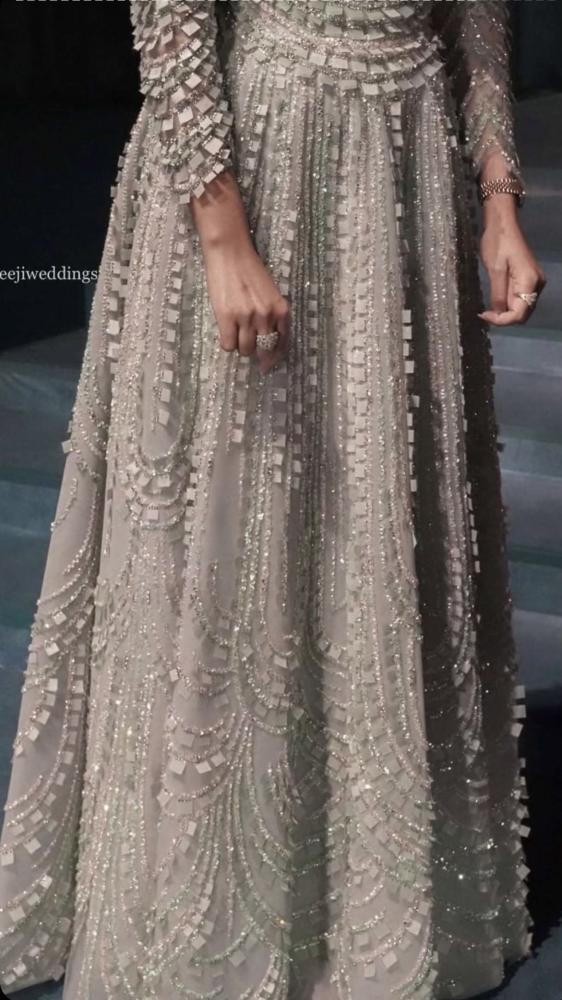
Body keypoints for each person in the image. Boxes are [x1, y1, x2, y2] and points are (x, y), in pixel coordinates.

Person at [0, 2, 546, 998]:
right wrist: (221, 234)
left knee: (378, 531)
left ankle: (370, 898)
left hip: (408, 169)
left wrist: (499, 196)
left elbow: (476, 16)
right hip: (266, 157)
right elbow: (171, 17)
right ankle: (215, 906)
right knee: (246, 526)